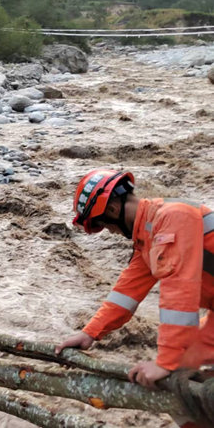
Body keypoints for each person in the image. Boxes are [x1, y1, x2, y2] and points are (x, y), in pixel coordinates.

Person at [55, 169, 214, 396]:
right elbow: (126, 293)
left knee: (182, 372)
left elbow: (180, 290)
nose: (109, 231)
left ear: (113, 209)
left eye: (105, 224)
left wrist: (166, 362)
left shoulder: (172, 218)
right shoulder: (148, 235)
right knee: (186, 378)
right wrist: (90, 333)